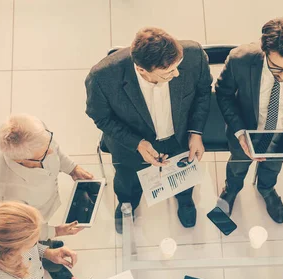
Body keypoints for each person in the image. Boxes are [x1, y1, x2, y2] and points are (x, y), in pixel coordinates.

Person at [85, 27, 212, 233]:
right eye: (168, 72)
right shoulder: (102, 78)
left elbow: (203, 93)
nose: (177, 73)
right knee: (127, 179)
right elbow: (100, 117)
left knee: (183, 172)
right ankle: (128, 204)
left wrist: (195, 132)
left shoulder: (194, 55)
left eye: (177, 67)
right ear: (142, 69)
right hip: (131, 141)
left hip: (179, 135)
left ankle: (185, 199)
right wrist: (137, 143)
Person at [215, 18, 283, 223]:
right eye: (275, 68)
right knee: (237, 166)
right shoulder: (240, 59)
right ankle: (231, 190)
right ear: (264, 51)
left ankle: (266, 188)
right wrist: (239, 132)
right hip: (246, 130)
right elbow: (223, 94)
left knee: (273, 167)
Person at [0, 114, 94, 279]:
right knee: (38, 243)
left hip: (41, 207)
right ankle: (52, 265)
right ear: (21, 160)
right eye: (44, 154)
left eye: (48, 140)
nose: (51, 150)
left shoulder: (35, 134)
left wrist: (72, 168)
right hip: (30, 225)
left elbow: (55, 149)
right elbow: (22, 233)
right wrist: (54, 231)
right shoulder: (6, 193)